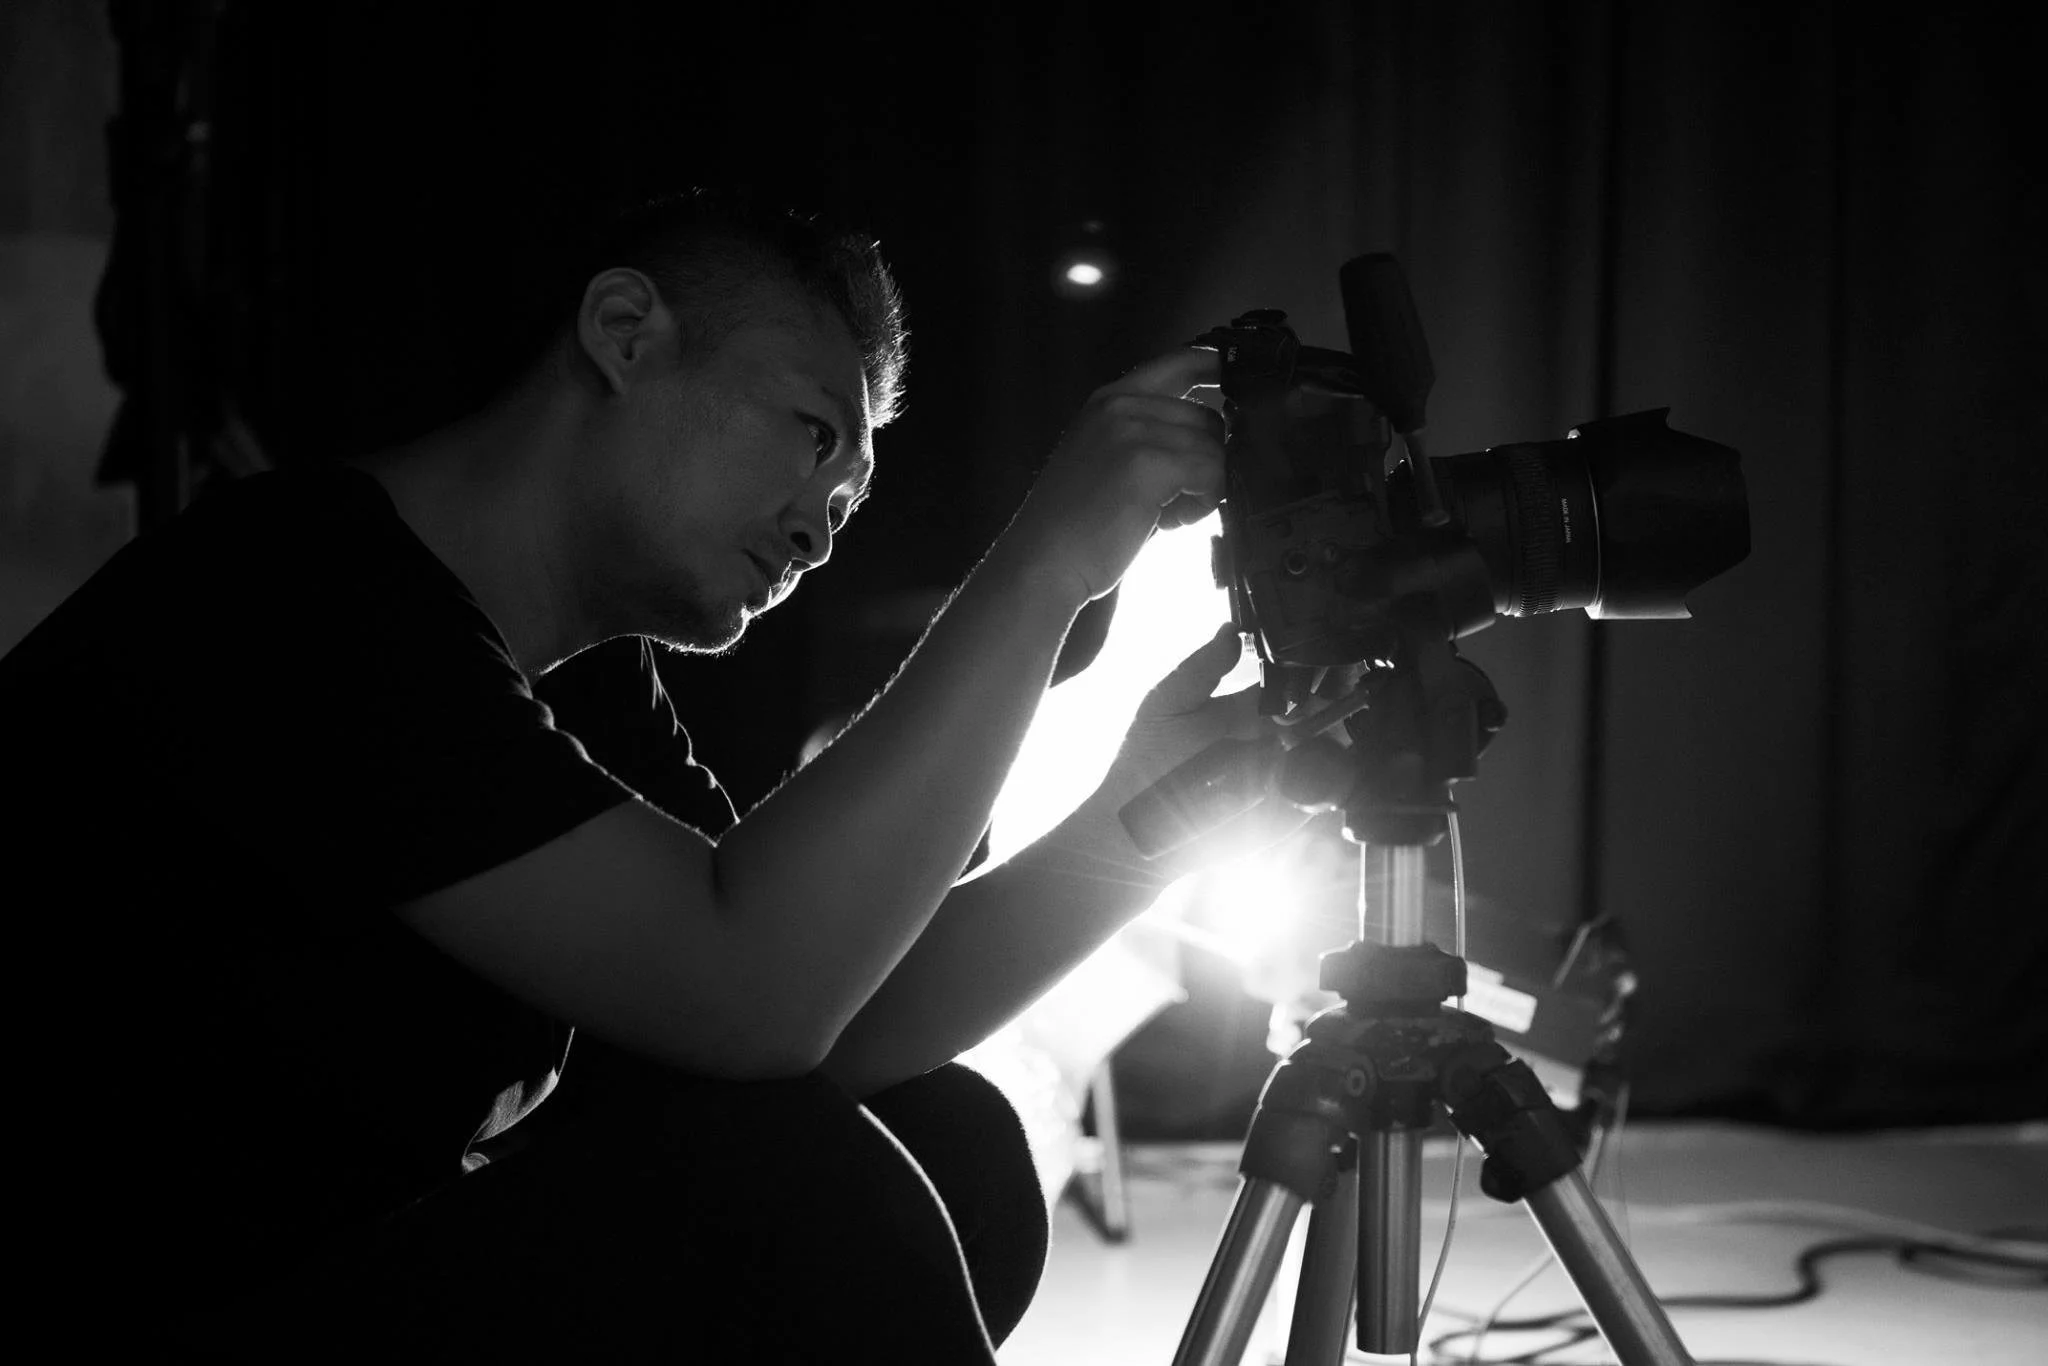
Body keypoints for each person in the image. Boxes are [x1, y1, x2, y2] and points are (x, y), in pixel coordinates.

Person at [3, 188, 1301, 1360]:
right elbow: (751, 998)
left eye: (847, 504)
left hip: (326, 1274)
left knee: (942, 1134)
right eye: (809, 436)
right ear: (625, 333)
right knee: (792, 1189)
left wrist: (1145, 816)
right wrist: (1045, 563)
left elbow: (820, 1031)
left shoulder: (586, 676)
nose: (818, 527)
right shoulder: (301, 595)